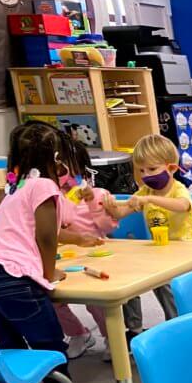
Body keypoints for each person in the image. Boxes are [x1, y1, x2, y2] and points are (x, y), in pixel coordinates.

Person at [0, 121, 99, 383]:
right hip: (16, 279)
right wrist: (48, 274)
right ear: (57, 157)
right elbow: (47, 235)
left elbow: (28, 229)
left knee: (5, 353)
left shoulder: (17, 187)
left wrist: (75, 240)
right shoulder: (44, 186)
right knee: (50, 347)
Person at [104, 134, 192, 344]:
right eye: (141, 170)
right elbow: (121, 213)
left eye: (152, 169)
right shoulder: (145, 191)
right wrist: (111, 207)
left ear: (171, 168)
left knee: (165, 286)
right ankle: (134, 328)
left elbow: (183, 205)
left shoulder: (178, 190)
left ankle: (177, 327)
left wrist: (149, 199)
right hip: (159, 251)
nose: (146, 175)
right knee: (128, 278)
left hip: (184, 253)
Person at [53, 139, 118, 359]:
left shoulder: (97, 194)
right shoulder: (52, 198)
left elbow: (108, 227)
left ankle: (112, 337)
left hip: (94, 256)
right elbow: (56, 226)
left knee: (95, 302)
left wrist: (93, 204)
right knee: (54, 300)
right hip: (63, 257)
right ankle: (77, 333)